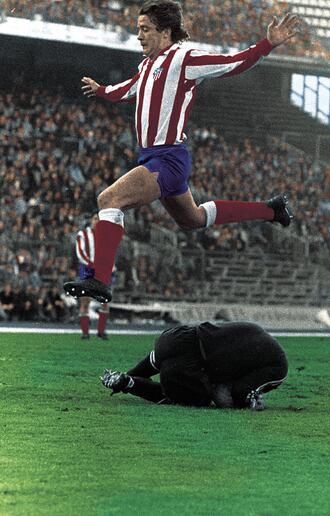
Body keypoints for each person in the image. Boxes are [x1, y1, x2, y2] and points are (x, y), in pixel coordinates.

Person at [64, 1, 299, 304]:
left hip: (168, 159)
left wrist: (267, 44)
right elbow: (128, 90)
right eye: (139, 29)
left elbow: (232, 62)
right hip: (155, 159)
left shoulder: (183, 58)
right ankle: (271, 210)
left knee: (108, 200)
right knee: (193, 219)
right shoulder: (147, 65)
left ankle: (100, 279)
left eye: (144, 29)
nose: (139, 36)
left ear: (165, 32)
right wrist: (101, 90)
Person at [100, 321, 288, 409]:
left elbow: (153, 362)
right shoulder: (278, 366)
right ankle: (128, 382)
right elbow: (239, 393)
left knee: (157, 361)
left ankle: (127, 378)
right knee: (213, 398)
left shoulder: (256, 332)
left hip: (180, 337)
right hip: (194, 363)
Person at [75, 214, 110, 339]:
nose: (98, 222)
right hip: (87, 270)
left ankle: (101, 331)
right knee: (85, 301)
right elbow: (80, 252)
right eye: (96, 219)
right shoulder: (82, 234)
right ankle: (85, 333)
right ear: (91, 220)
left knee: (105, 301)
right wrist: (91, 264)